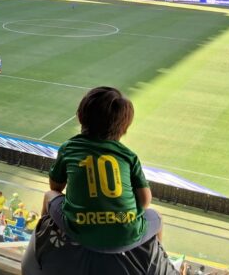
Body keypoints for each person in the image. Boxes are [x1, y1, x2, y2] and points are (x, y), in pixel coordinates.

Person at [47, 86, 160, 253]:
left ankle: (41, 242)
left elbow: (55, 188)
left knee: (48, 196)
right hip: (126, 236)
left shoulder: (69, 148)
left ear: (80, 117)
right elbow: (145, 201)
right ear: (124, 128)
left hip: (79, 232)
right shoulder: (129, 156)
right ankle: (155, 260)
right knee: (157, 217)